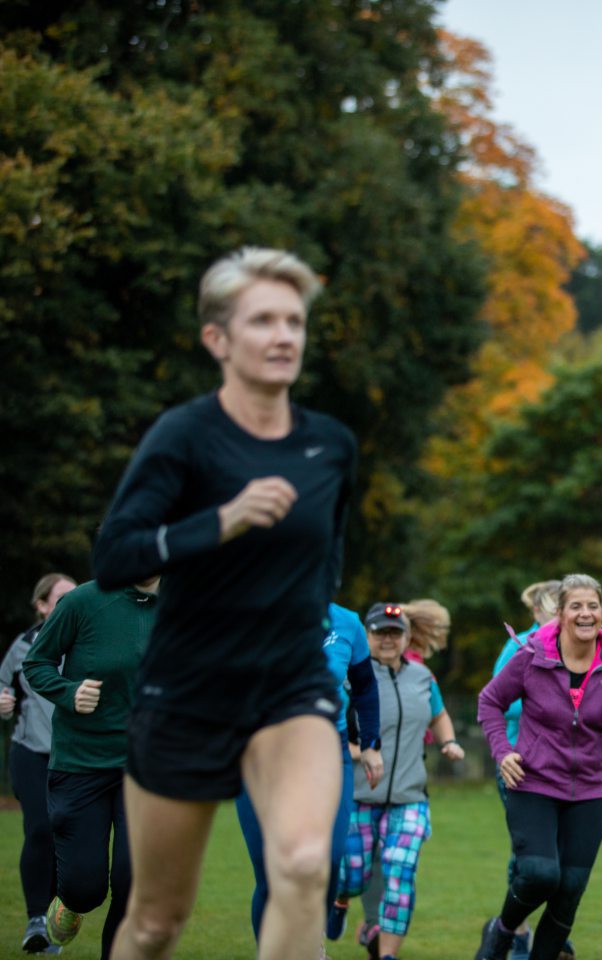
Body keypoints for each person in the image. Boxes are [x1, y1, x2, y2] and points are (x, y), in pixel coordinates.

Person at [90, 246, 357, 960]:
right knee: (155, 922)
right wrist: (221, 521)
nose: (283, 336)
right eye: (263, 320)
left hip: (290, 689)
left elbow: (328, 557)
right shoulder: (185, 436)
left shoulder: (330, 446)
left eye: (294, 321)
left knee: (304, 865)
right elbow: (114, 558)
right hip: (186, 692)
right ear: (218, 339)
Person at [474, 573, 602, 960]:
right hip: (533, 782)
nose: (586, 613)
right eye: (576, 606)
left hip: (589, 790)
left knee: (569, 891)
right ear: (561, 614)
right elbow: (489, 702)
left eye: (593, 606)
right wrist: (502, 751)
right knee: (540, 875)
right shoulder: (532, 656)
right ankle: (500, 934)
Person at [22, 576, 159, 959]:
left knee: (134, 883)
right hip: (82, 762)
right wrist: (69, 692)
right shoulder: (83, 601)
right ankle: (69, 899)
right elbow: (37, 663)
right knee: (86, 887)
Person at [232, 602, 383, 947]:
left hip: (328, 753)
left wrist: (371, 743)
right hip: (261, 755)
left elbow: (364, 686)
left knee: (327, 862)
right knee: (272, 876)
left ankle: (309, 944)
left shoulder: (347, 623)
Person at [333, 602, 464, 960]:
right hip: (359, 795)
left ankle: (387, 955)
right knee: (354, 875)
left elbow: (439, 716)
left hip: (409, 796)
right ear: (367, 636)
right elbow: (328, 730)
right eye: (380, 633)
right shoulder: (349, 678)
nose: (388, 639)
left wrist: (449, 742)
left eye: (395, 632)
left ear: (407, 637)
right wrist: (360, 753)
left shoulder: (423, 677)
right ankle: (341, 896)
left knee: (400, 873)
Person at [1, 572, 77, 954]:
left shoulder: (86, 639)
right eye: (60, 598)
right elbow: (3, 689)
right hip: (30, 752)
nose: (69, 604)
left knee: (67, 835)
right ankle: (35, 921)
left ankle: (55, 915)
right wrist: (2, 701)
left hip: (77, 755)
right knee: (41, 829)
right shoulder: (21, 647)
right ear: (42, 605)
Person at [488, 579, 562, 960]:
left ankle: (553, 932)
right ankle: (515, 930)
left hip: (566, 767)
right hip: (520, 763)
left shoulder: (579, 645)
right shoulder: (520, 644)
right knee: (529, 853)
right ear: (537, 612)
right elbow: (500, 699)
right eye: (554, 607)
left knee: (562, 857)